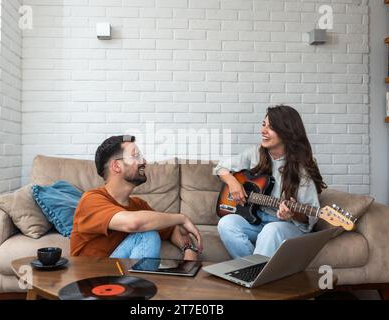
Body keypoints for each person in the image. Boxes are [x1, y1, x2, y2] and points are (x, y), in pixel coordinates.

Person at [214, 105, 327, 259]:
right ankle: (252, 272)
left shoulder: (302, 168)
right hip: (257, 218)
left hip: (286, 225)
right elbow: (221, 168)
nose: (263, 131)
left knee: (271, 230)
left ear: (286, 132)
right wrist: (233, 183)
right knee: (226, 224)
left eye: (271, 127)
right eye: (263, 125)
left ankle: (252, 274)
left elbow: (310, 217)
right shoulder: (254, 153)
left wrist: (293, 214)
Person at [70, 135, 203, 261]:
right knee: (146, 235)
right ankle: (140, 284)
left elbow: (171, 229)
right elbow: (134, 224)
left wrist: (189, 249)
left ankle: (139, 283)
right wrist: (182, 217)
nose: (144, 161)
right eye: (136, 156)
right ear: (116, 166)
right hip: (91, 277)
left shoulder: (139, 205)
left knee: (150, 229)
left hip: (119, 275)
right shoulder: (91, 199)